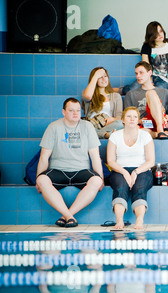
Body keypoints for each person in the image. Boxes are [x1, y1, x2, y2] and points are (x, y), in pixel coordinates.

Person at [36, 98, 104, 228]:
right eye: (71, 110)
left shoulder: (87, 127)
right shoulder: (53, 127)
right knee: (42, 180)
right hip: (58, 170)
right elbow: (44, 157)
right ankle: (69, 217)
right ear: (63, 112)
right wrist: (38, 179)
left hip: (81, 170)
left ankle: (66, 216)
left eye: (78, 110)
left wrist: (101, 178)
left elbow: (95, 156)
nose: (75, 113)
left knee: (96, 181)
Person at [106, 107, 155, 230]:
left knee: (139, 188)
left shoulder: (145, 136)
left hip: (142, 170)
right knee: (120, 187)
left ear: (138, 120)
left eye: (134, 116)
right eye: (128, 116)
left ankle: (139, 220)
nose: (132, 119)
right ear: (123, 120)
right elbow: (111, 161)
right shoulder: (115, 136)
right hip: (119, 169)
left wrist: (135, 172)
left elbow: (151, 161)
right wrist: (124, 172)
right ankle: (119, 221)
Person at [121, 21, 168, 94]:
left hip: (165, 81)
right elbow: (146, 66)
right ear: (151, 35)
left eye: (161, 31)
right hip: (150, 77)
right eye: (156, 33)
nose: (160, 34)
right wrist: (149, 81)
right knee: (130, 90)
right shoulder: (147, 47)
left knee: (157, 93)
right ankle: (118, 90)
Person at [124, 61, 168, 139]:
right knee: (135, 131)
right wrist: (139, 121)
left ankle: (160, 130)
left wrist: (161, 116)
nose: (138, 76)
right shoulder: (131, 94)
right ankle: (159, 134)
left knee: (150, 93)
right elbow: (125, 118)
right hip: (144, 126)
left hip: (160, 123)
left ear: (150, 73)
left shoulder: (164, 92)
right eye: (136, 73)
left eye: (141, 72)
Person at [82, 67, 124, 139]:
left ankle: (100, 134)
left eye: (105, 76)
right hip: (92, 125)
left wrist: (113, 119)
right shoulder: (88, 93)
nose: (104, 79)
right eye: (100, 77)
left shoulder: (116, 96)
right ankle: (105, 134)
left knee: (120, 124)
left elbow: (119, 117)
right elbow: (88, 96)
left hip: (109, 125)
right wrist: (96, 75)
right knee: (85, 126)